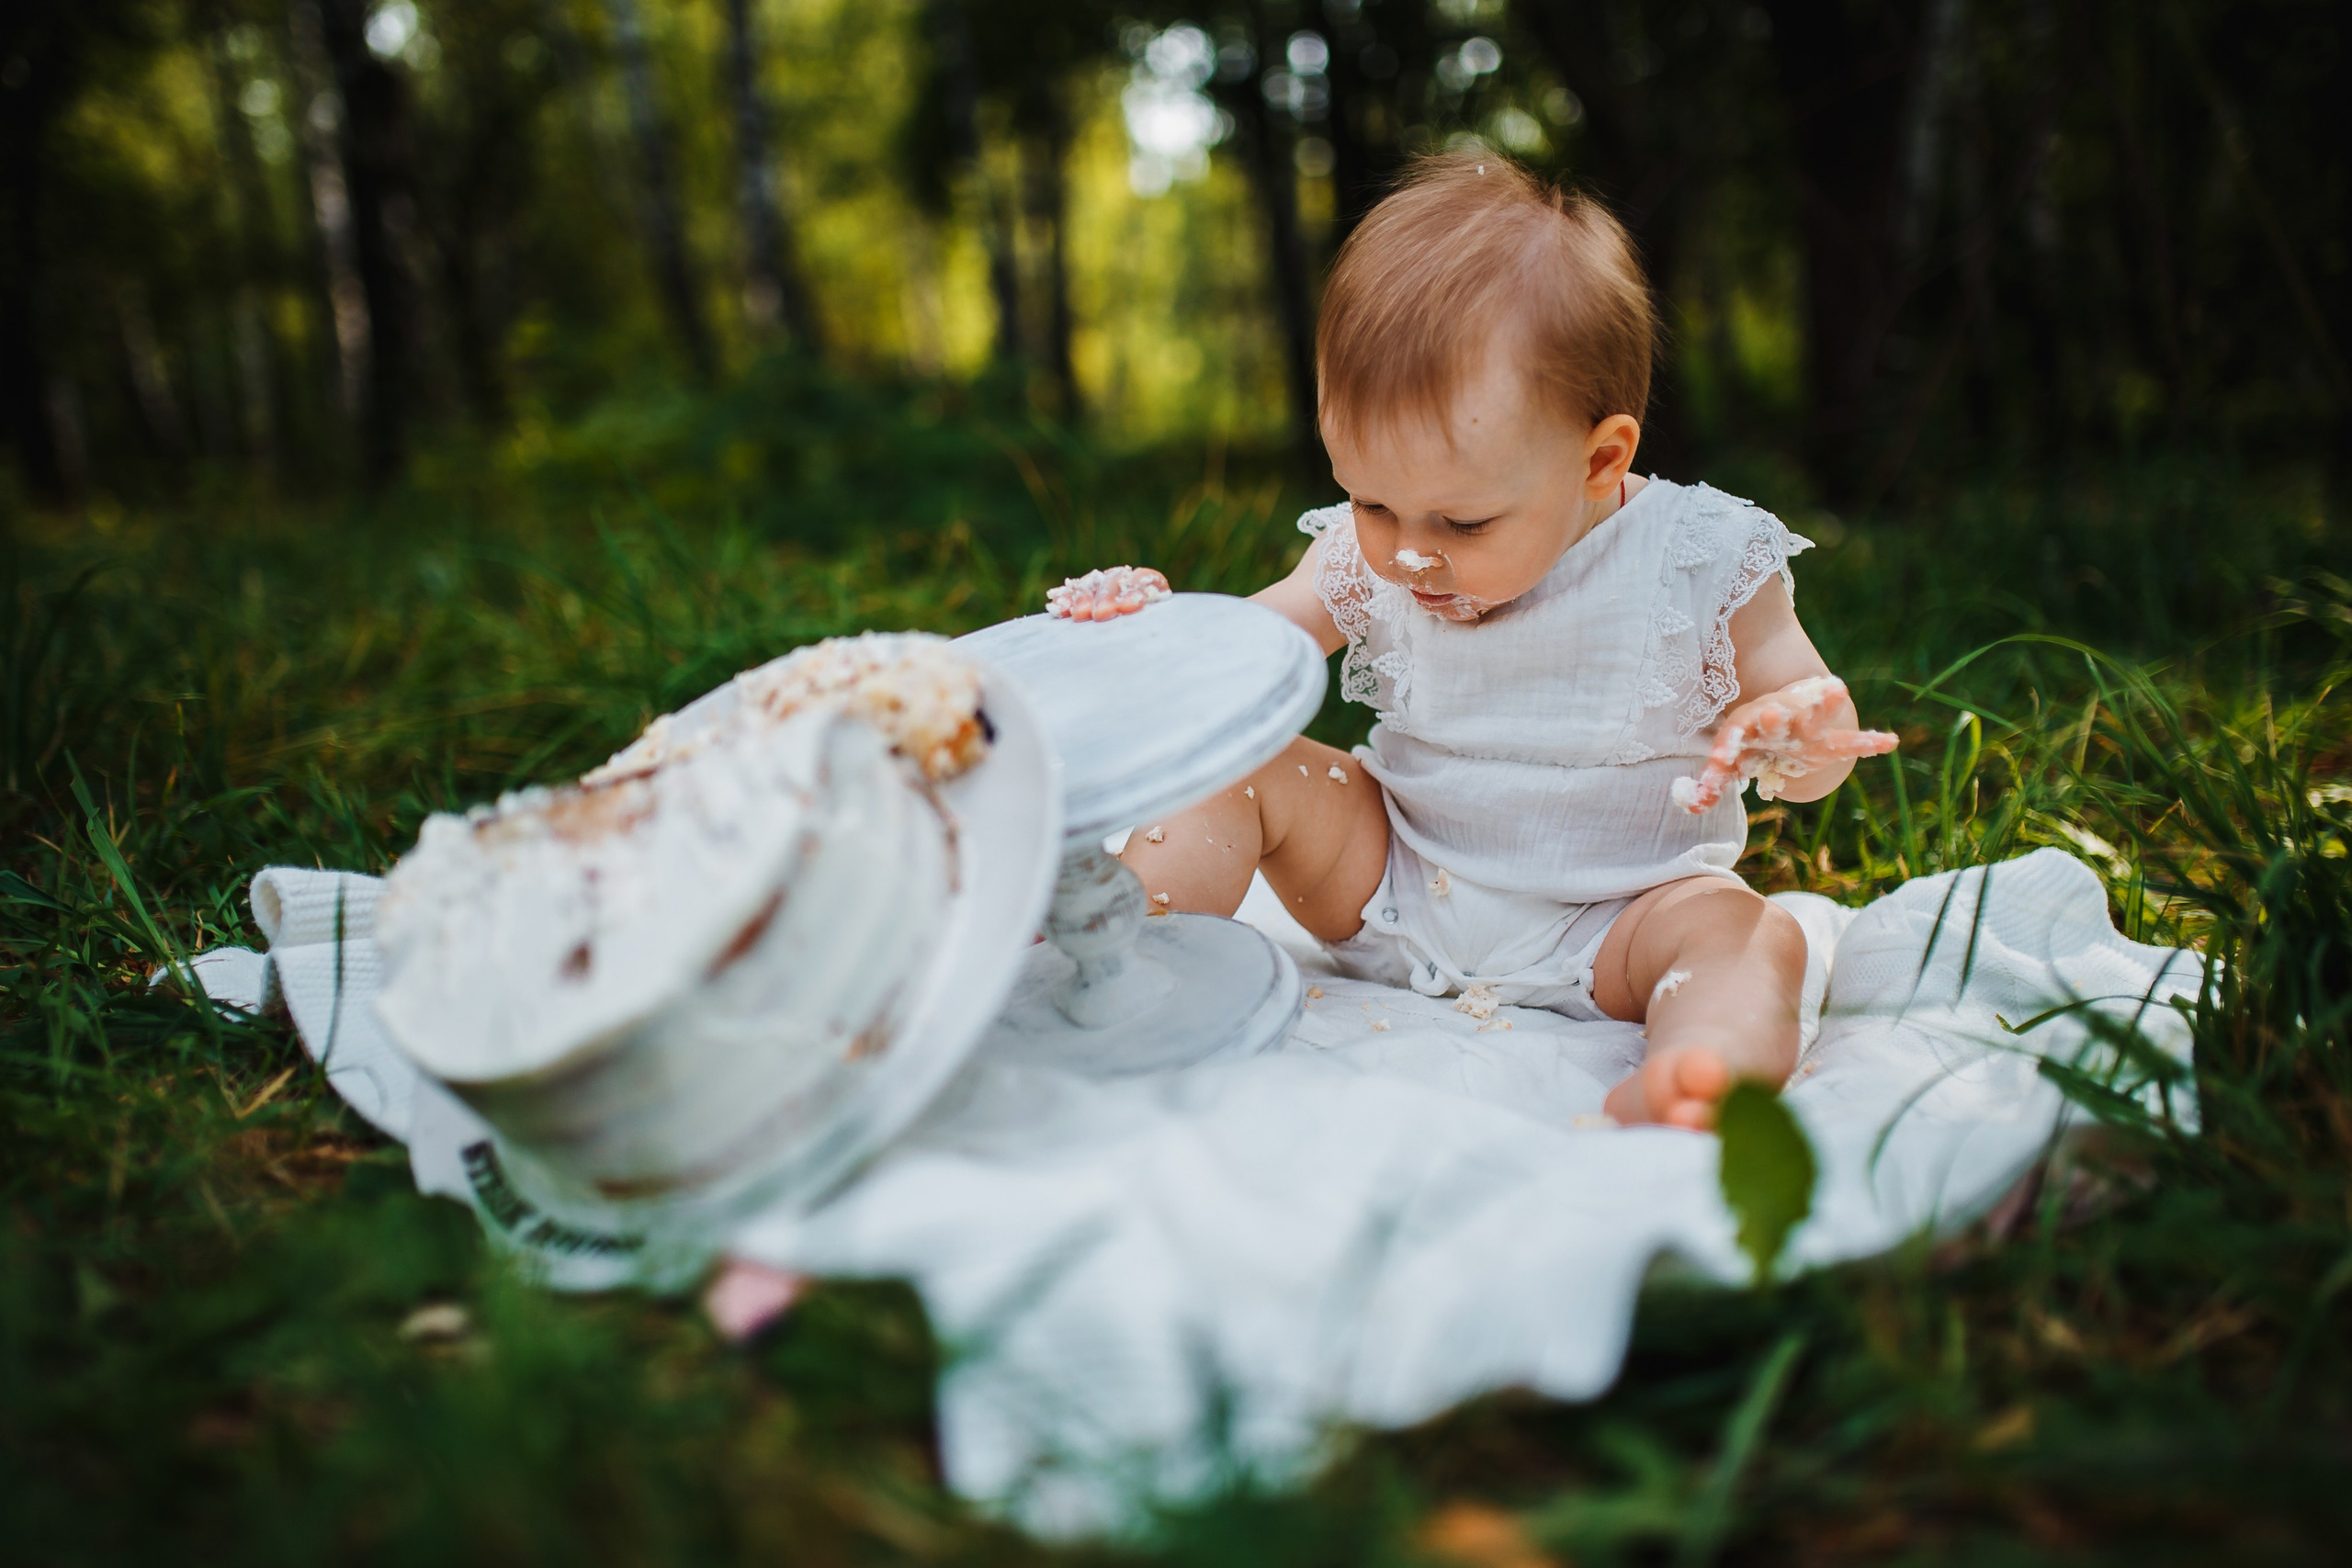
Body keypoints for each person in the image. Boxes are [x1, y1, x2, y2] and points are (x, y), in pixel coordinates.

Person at [1049, 152, 1896, 1128]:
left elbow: (1808, 728)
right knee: (1237, 770)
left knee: (1753, 937)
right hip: (1392, 881)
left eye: (1461, 525)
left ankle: (1700, 1074)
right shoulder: (1369, 554)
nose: (1407, 557)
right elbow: (1235, 665)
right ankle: (1129, 976)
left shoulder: (1699, 557)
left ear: (1599, 458)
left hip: (1621, 918)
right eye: (1371, 502)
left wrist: (1799, 733)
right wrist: (1147, 628)